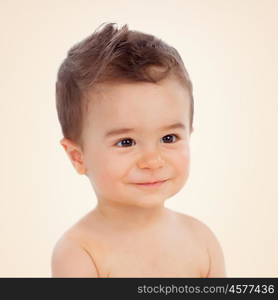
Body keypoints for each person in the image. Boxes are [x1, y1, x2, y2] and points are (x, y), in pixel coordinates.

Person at [51, 22, 226, 277]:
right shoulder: (80, 252)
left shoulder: (202, 241)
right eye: (126, 142)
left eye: (168, 138)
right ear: (78, 157)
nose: (152, 161)